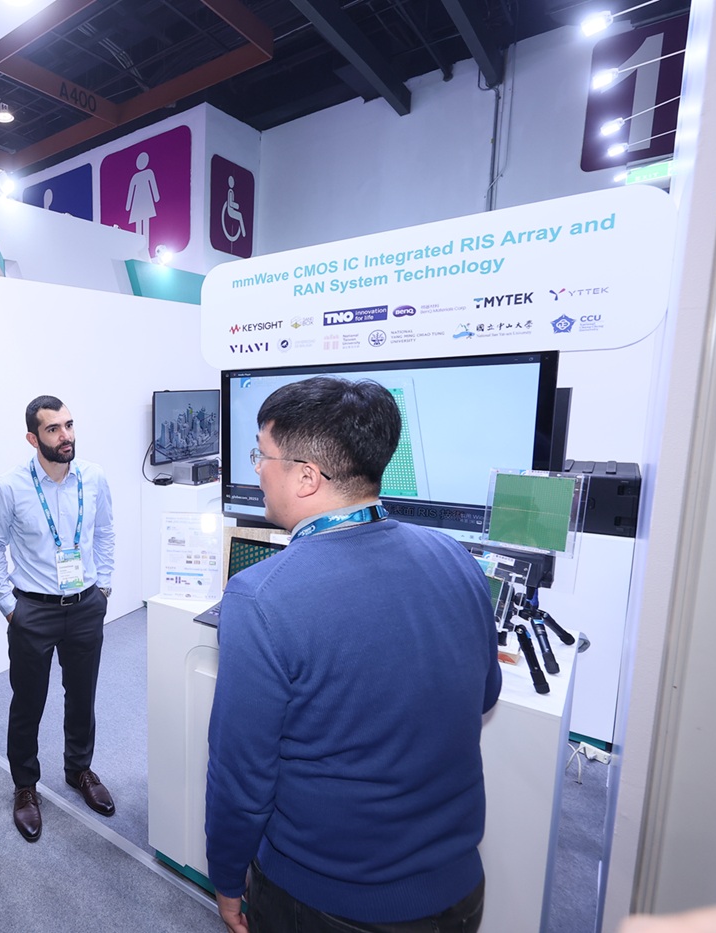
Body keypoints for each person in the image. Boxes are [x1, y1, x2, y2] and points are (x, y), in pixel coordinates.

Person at [205, 377, 501, 933]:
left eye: (261, 455)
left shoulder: (261, 597)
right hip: (458, 891)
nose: (257, 470)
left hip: (325, 902)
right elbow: (484, 695)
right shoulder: (455, 558)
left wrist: (225, 878)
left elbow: (241, 779)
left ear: (307, 476)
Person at [0, 395, 116, 842]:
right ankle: (25, 785)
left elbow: (105, 531)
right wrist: (8, 606)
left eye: (69, 425)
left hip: (85, 605)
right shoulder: (9, 487)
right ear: (32, 438)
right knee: (28, 702)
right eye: (54, 429)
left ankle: (79, 769)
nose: (66, 436)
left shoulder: (93, 477)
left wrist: (104, 586)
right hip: (33, 610)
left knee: (82, 696)